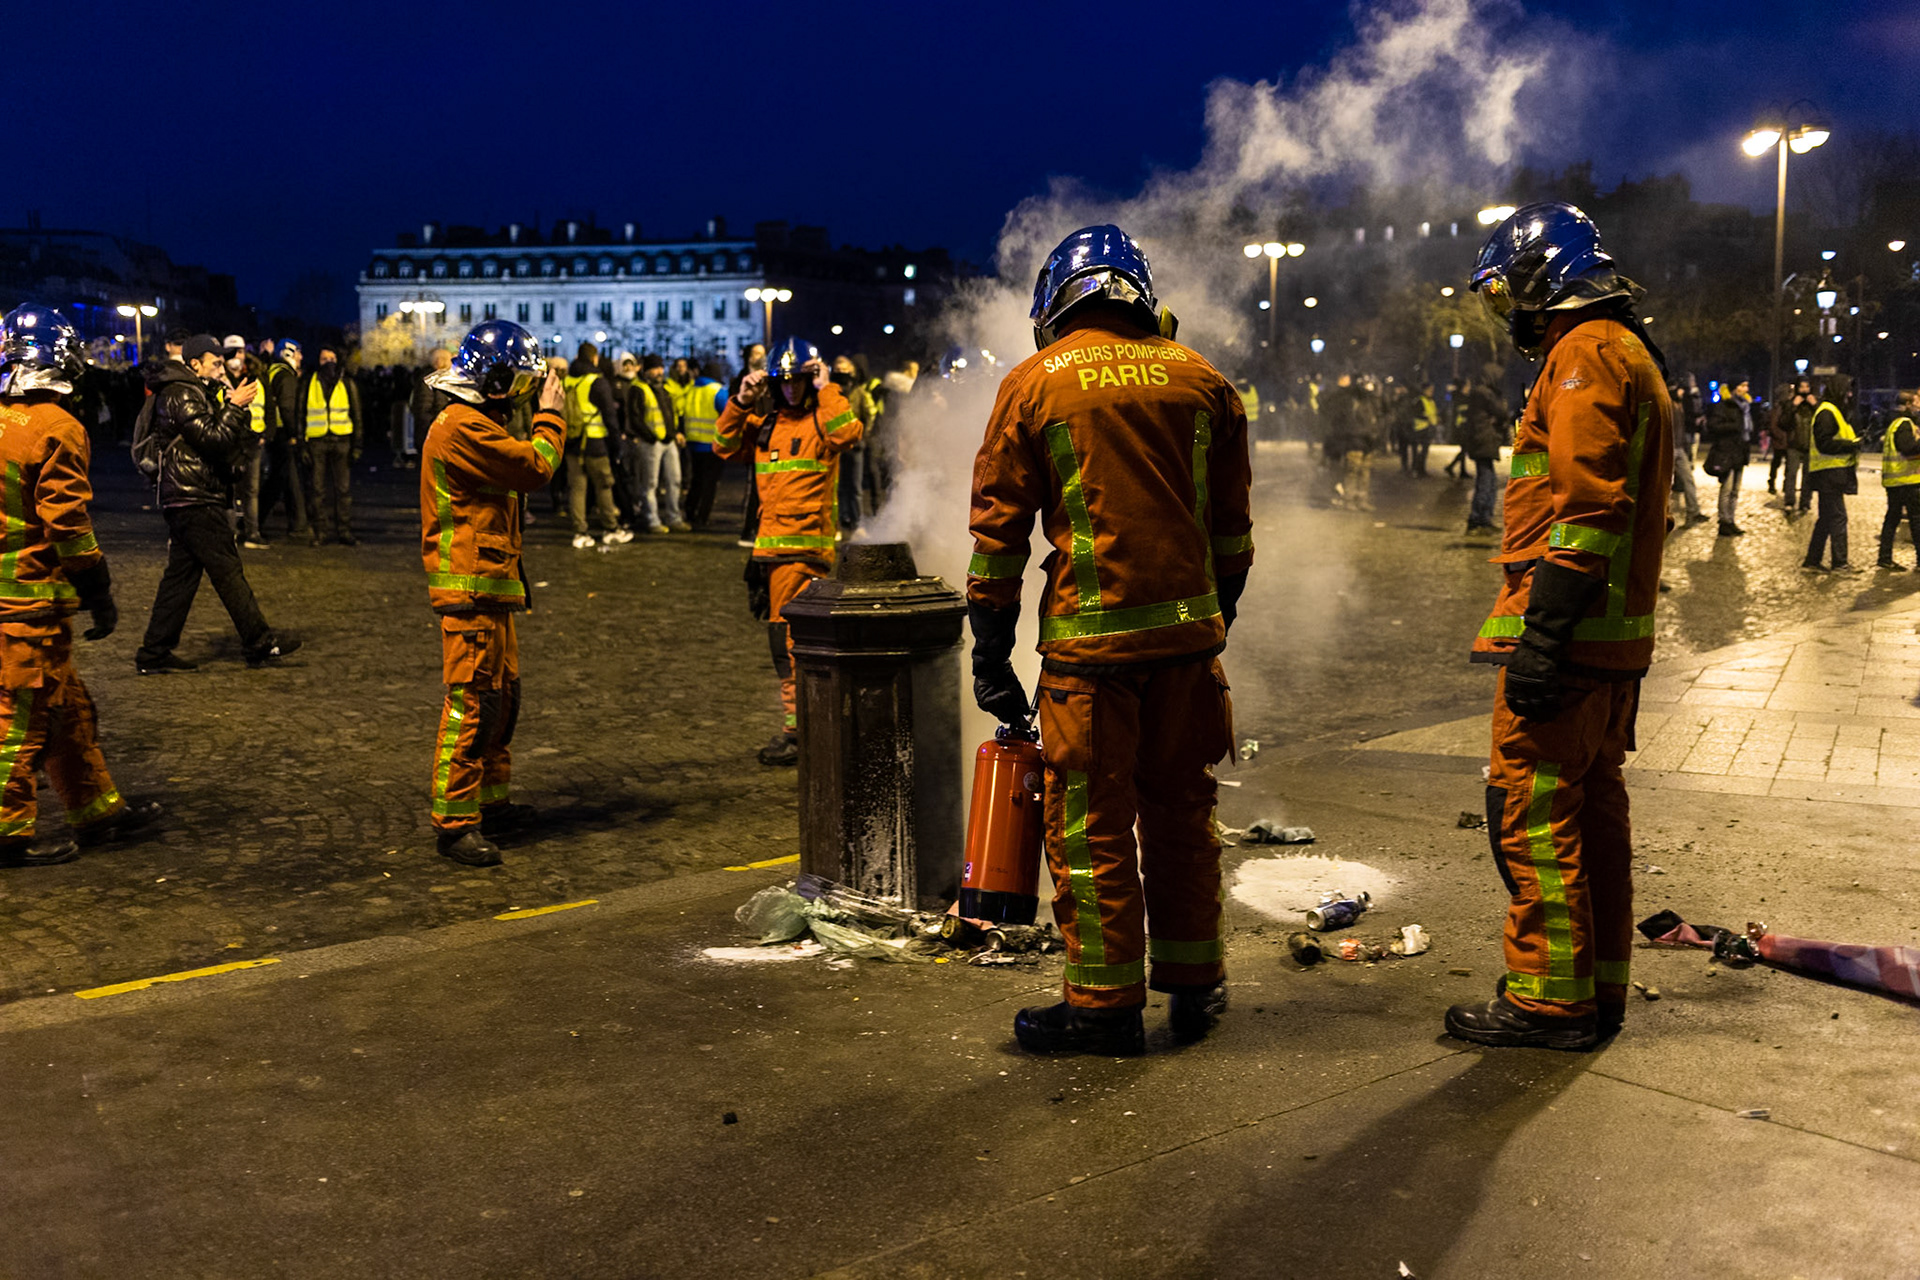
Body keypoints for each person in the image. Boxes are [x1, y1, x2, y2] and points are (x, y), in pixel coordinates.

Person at [968, 224, 1252, 1055]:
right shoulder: (1203, 380)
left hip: (1091, 660)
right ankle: (1197, 985)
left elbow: (998, 538)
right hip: (1188, 648)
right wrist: (1209, 622)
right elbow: (1231, 534)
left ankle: (1103, 1005)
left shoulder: (1035, 382)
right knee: (1182, 812)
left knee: (1091, 827)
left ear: (1057, 302)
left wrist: (991, 650)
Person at [1451, 202, 1674, 1051]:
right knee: (1593, 814)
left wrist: (1541, 637)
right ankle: (1597, 988)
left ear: (1547, 279)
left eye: (1510, 292)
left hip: (1571, 641)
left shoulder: (1582, 357)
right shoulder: (1629, 352)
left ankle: (1548, 1002)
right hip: (1610, 639)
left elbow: (1586, 514)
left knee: (1532, 811)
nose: (1510, 312)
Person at [0, 307, 163, 866]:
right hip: (27, 601)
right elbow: (67, 526)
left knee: (67, 708)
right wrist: (99, 590)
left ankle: (95, 810)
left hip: (11, 597)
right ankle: (6, 833)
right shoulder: (57, 427)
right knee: (20, 719)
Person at [418, 321, 564, 868]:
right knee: (473, 704)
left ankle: (490, 802)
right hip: (470, 588)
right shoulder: (462, 427)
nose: (525, 397)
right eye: (521, 386)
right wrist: (552, 415)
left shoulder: (475, 420)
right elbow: (535, 467)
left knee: (503, 701)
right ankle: (455, 823)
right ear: (496, 380)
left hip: (490, 585)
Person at [714, 338, 862, 765]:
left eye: (799, 381)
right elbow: (723, 444)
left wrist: (828, 386)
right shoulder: (766, 426)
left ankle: (800, 734)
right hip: (772, 555)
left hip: (803, 554)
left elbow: (848, 432)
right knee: (789, 646)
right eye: (786, 382)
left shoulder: (821, 420)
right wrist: (740, 401)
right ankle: (803, 730)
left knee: (792, 645)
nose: (792, 390)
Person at [135, 335, 300, 673]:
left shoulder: (195, 390)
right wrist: (235, 407)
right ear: (194, 363)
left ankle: (154, 652)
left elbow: (225, 441)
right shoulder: (181, 392)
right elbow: (213, 439)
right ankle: (258, 642)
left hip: (190, 493)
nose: (222, 366)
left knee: (181, 577)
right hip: (193, 494)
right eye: (215, 361)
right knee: (227, 571)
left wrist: (230, 407)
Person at [562, 342, 630, 548]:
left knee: (577, 488)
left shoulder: (567, 380)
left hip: (572, 440)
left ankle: (580, 533)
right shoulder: (596, 381)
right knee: (604, 485)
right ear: (594, 358)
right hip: (595, 442)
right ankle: (611, 528)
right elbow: (610, 416)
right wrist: (617, 444)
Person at [298, 345, 361, 545]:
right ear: (318, 361)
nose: (328, 362)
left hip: (342, 441)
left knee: (343, 490)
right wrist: (302, 444)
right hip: (317, 441)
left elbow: (357, 415)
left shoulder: (347, 382)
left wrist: (357, 445)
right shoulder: (309, 383)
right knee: (317, 490)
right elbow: (300, 414)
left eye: (331, 358)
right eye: (324, 359)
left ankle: (344, 531)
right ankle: (320, 532)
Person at [1803, 374, 1863, 574]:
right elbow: (1825, 443)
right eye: (1847, 390)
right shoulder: (1828, 412)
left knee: (1827, 519)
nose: (1850, 394)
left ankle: (1812, 561)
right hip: (1829, 474)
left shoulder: (1833, 411)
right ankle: (1840, 563)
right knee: (1837, 518)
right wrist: (1851, 445)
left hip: (1829, 474)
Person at [625, 355, 688, 533]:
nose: (659, 371)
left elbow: (671, 414)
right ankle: (652, 520)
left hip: (667, 441)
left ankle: (673, 517)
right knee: (650, 484)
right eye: (655, 368)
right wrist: (649, 436)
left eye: (660, 368)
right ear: (646, 370)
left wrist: (675, 433)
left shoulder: (665, 388)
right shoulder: (638, 389)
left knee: (674, 481)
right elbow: (635, 418)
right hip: (651, 442)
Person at [223, 335, 273, 549]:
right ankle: (230, 535)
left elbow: (269, 408)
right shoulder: (219, 381)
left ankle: (252, 533)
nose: (236, 357)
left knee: (252, 490)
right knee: (229, 491)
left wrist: (265, 435)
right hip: (228, 443)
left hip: (252, 442)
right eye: (232, 353)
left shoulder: (255, 379)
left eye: (240, 352)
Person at [261, 340, 310, 541]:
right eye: (297, 352)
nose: (300, 357)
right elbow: (288, 408)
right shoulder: (286, 376)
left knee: (277, 481)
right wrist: (294, 434)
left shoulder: (273, 371)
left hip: (274, 433)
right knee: (290, 480)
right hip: (283, 434)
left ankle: (256, 520)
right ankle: (298, 524)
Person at [831, 354, 879, 532]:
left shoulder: (859, 393)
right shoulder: (831, 393)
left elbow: (870, 413)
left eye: (845, 369)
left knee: (855, 486)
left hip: (855, 446)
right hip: (835, 447)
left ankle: (857, 521)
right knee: (838, 486)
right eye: (838, 369)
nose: (841, 373)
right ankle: (840, 520)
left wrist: (862, 435)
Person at [681, 360, 729, 528]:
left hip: (693, 442)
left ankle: (689, 510)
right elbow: (728, 415)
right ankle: (703, 517)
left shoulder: (690, 390)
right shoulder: (718, 392)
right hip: (712, 444)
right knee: (710, 483)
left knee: (696, 479)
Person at [1704, 378, 1753, 537]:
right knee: (1726, 488)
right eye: (1742, 385)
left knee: (1735, 491)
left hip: (1740, 451)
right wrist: (1733, 427)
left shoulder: (1745, 407)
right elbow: (1713, 426)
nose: (1745, 388)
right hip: (1726, 451)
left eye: (1746, 385)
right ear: (1734, 388)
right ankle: (1723, 522)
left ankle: (1731, 520)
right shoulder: (1724, 405)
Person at [1461, 367, 1508, 533]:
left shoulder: (1478, 393)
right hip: (1484, 442)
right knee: (1486, 482)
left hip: (1482, 442)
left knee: (1490, 481)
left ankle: (1483, 517)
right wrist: (1498, 416)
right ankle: (1477, 518)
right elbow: (1502, 412)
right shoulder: (1485, 393)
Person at [1877, 390, 1920, 571]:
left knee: (1892, 519)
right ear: (1909, 404)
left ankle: (1884, 557)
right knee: (1917, 521)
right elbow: (1908, 449)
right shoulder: (1904, 424)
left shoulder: (1897, 422)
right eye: (1917, 401)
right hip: (1906, 481)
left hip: (1897, 481)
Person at [1772, 377, 1817, 513]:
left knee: (1808, 475)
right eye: (1801, 387)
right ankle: (1789, 501)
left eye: (1806, 387)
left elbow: (1822, 421)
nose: (1804, 390)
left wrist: (1815, 405)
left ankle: (1805, 502)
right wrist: (1792, 407)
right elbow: (1782, 423)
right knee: (1791, 473)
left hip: (1810, 444)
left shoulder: (1815, 403)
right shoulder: (1789, 403)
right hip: (1794, 444)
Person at [1667, 378, 1706, 528]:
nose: (1683, 392)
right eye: (1680, 390)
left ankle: (1693, 511)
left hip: (1679, 448)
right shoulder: (1669, 406)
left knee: (1688, 480)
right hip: (1671, 449)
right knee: (1665, 485)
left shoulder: (1679, 405)